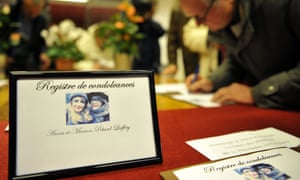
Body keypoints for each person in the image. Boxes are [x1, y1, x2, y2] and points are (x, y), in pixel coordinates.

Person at [182, 0, 300, 110]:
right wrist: (212, 81)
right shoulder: (228, 23)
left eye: (200, 16)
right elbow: (238, 60)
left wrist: (255, 93)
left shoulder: (282, 5)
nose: (198, 24)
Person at [5, 0, 51, 75]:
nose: (39, 11)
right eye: (37, 7)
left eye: (41, 8)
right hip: (12, 59)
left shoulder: (41, 19)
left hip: (31, 61)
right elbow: (5, 35)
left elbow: (43, 39)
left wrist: (44, 53)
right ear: (26, 3)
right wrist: (8, 54)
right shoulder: (11, 13)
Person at [161, 2, 199, 77]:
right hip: (188, 57)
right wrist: (173, 62)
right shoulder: (177, 7)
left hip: (207, 56)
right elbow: (172, 37)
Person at [131, 0, 165, 73]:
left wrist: (148, 19)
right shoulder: (135, 24)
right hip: (137, 63)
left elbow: (161, 31)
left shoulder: (151, 25)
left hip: (152, 64)